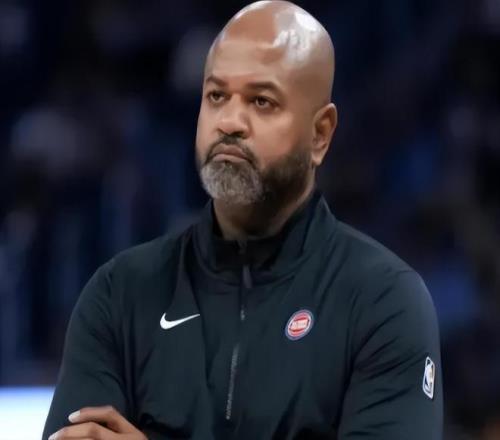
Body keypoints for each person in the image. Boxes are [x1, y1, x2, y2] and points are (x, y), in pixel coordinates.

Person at [43, 1, 443, 439]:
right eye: (216, 96)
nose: (230, 121)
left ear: (320, 134)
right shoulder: (119, 295)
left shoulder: (382, 301)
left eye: (262, 101)